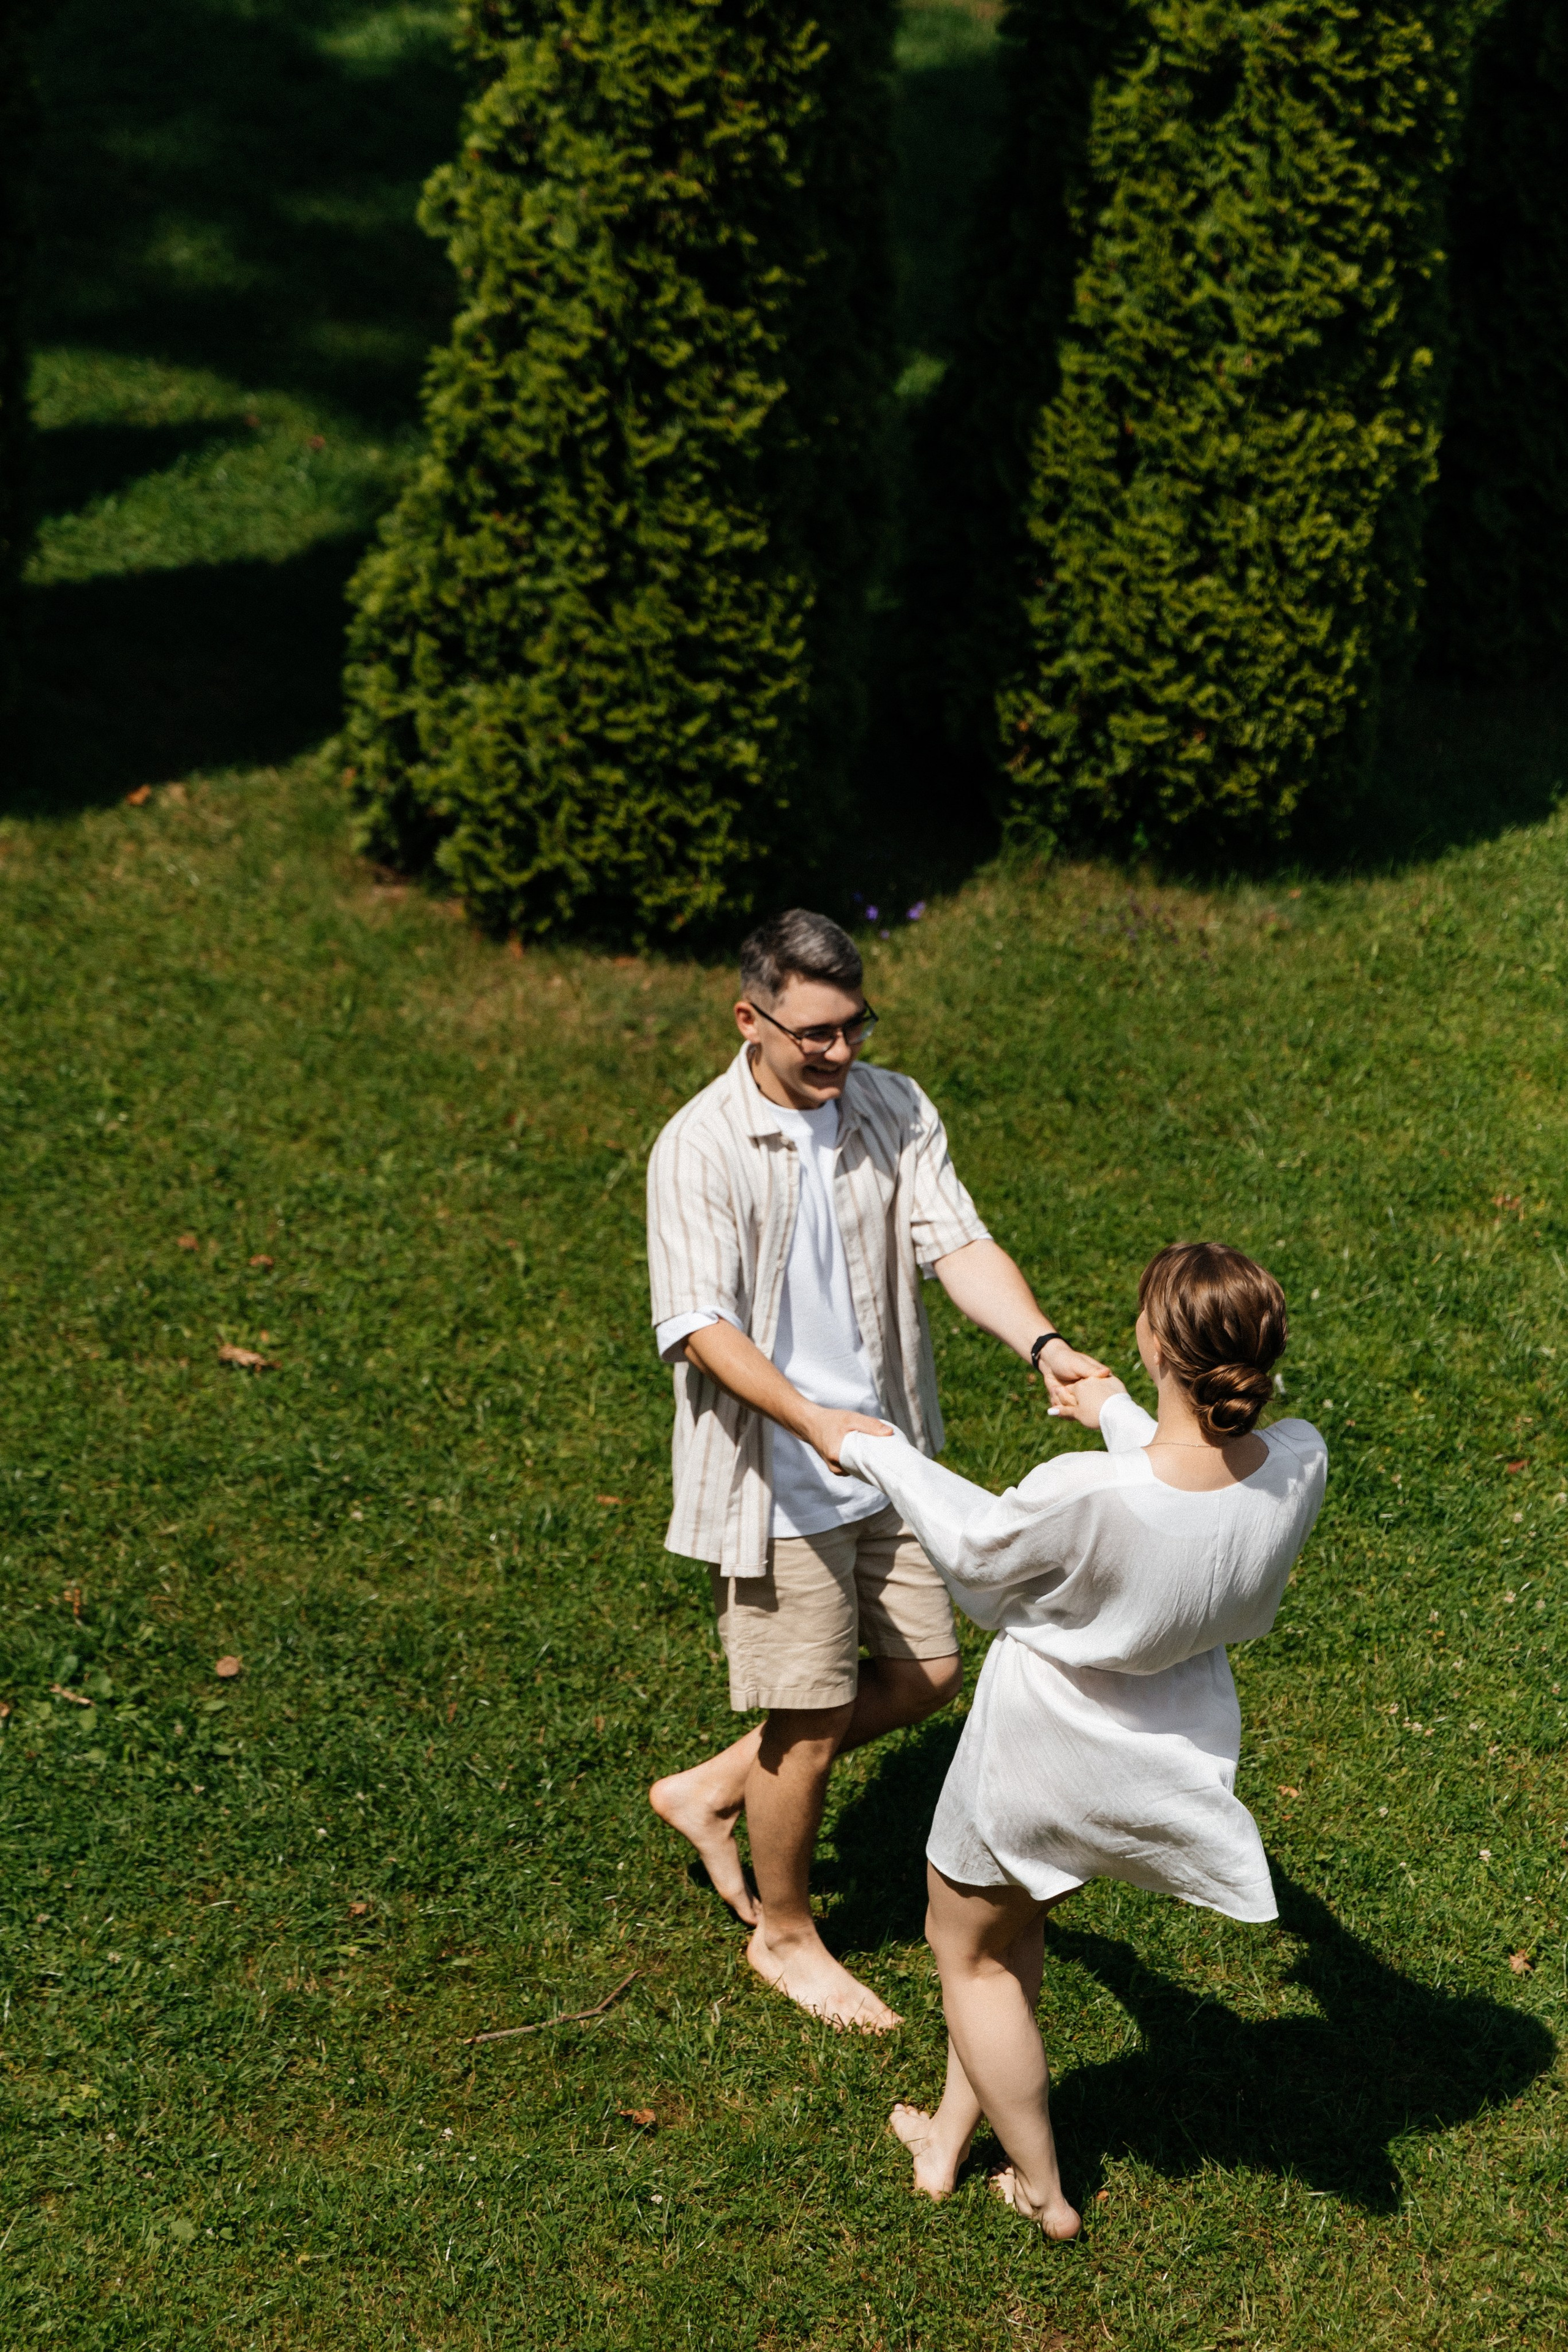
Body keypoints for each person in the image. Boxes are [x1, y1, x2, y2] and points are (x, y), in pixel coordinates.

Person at [645, 908, 1107, 2032]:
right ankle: (787, 1936)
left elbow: (957, 1243)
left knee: (927, 1676)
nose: (842, 1054)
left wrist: (1043, 1346)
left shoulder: (892, 1108)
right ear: (750, 1020)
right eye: (815, 1035)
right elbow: (701, 1325)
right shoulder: (697, 1147)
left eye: (855, 1026)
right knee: (805, 1724)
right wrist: (814, 1423)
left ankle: (710, 1790)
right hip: (778, 1481)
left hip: (887, 1460)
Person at [836, 1242, 1327, 2235]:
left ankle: (1045, 2193)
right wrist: (1110, 1410)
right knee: (1009, 1931)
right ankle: (942, 2141)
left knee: (967, 1954)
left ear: (1156, 1342)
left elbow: (977, 1546)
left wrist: (873, 1448)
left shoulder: (1084, 1492)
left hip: (1036, 1756)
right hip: (1151, 1761)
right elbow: (1183, 1495)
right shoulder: (1300, 1461)